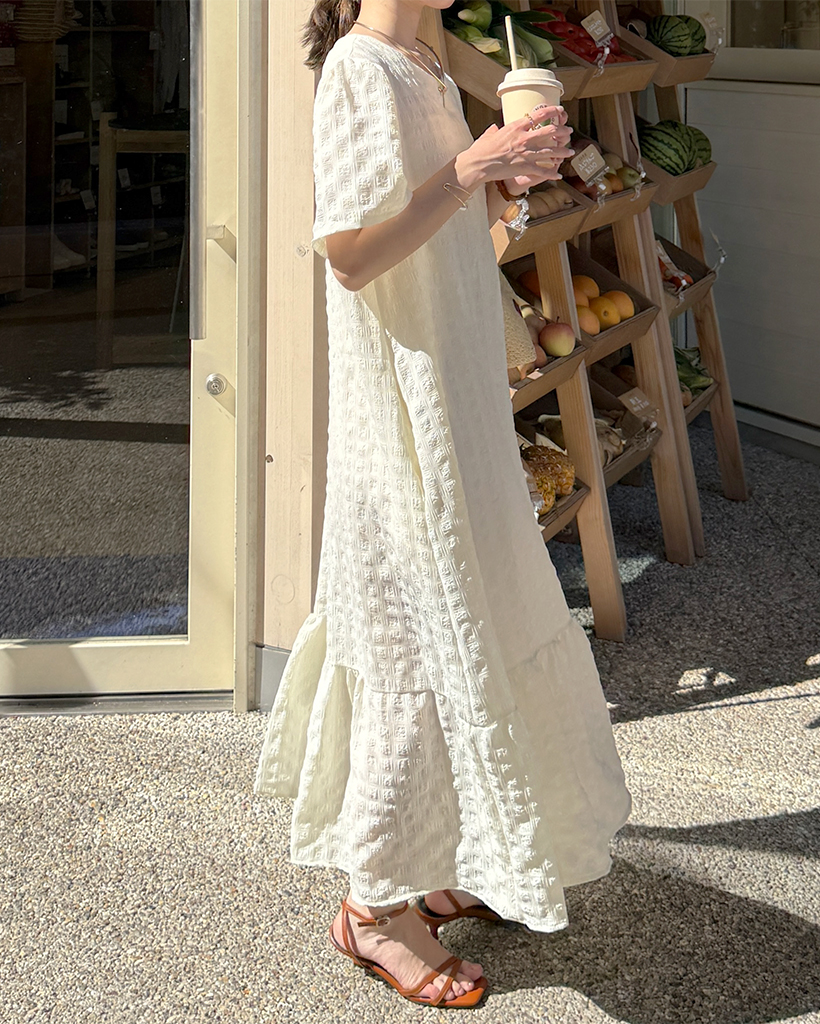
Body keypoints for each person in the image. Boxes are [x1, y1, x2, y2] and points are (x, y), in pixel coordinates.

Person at [255, 0, 631, 1009]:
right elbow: (349, 254)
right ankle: (372, 907)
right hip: (401, 415)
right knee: (410, 636)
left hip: (454, 398)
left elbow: (452, 241)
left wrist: (503, 189)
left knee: (474, 618)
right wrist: (471, 168)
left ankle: (442, 859)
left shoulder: (423, 66)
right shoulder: (360, 70)